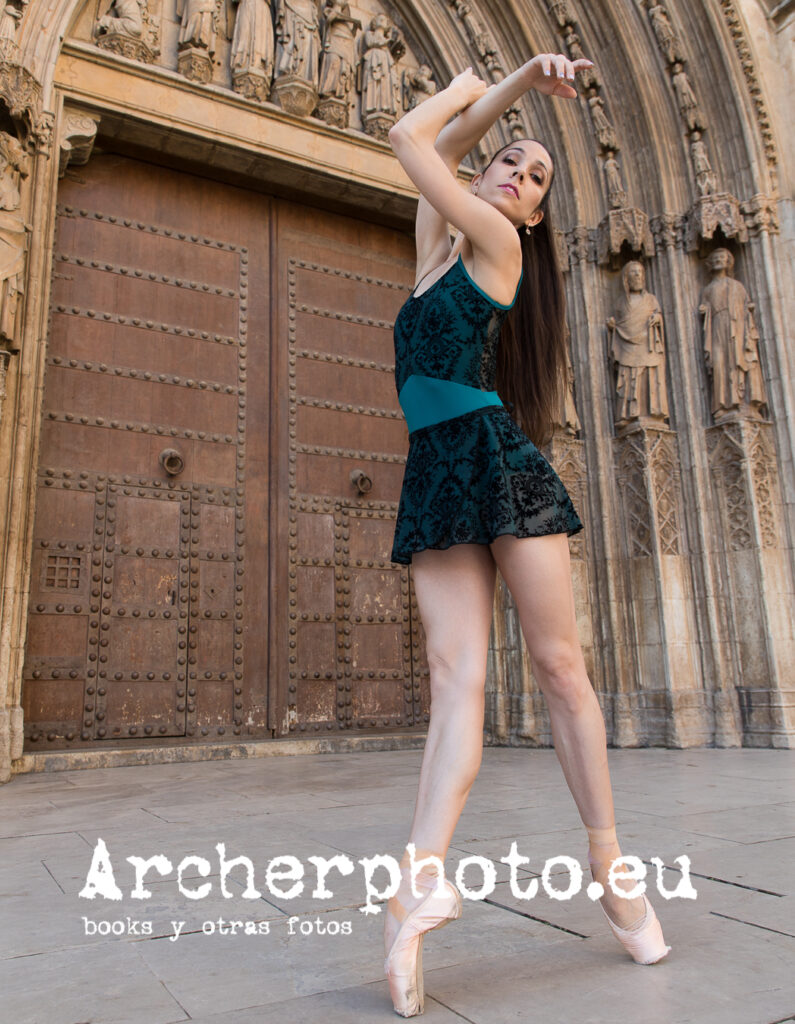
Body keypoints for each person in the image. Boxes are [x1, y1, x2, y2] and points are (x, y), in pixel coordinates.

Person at [383, 54, 671, 1017]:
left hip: (499, 464)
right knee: (452, 678)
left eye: (536, 176)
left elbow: (408, 138)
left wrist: (491, 85)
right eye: (509, 162)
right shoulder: (434, 250)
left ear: (535, 215)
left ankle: (609, 865)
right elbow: (433, 152)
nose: (517, 175)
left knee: (559, 670)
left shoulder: (497, 244)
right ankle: (418, 880)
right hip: (436, 470)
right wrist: (501, 90)